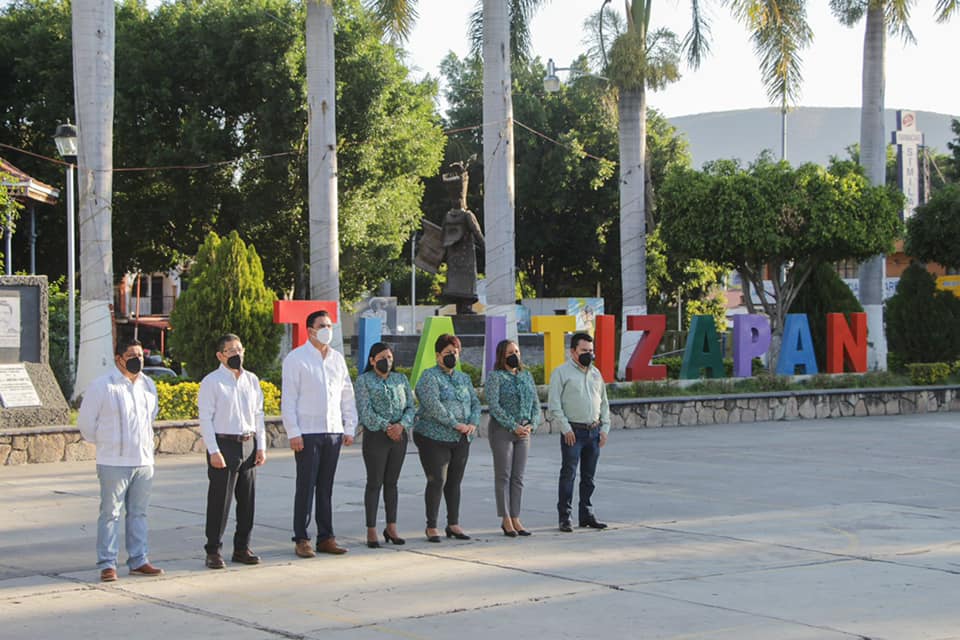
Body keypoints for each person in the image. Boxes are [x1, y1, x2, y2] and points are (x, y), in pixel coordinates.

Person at [77, 337, 164, 582]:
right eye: (132, 356)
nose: (138, 360)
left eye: (141, 356)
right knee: (110, 514)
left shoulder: (148, 385)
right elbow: (86, 424)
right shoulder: (102, 385)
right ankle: (108, 563)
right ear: (119, 359)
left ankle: (139, 560)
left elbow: (151, 418)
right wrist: (108, 444)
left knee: (138, 513)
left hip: (143, 461)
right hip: (113, 462)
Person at [282, 310, 357, 557]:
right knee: (306, 486)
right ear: (310, 330)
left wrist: (349, 427)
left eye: (330, 325)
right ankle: (302, 538)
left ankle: (326, 537)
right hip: (308, 432)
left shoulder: (336, 358)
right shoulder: (296, 358)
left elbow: (346, 393)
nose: (327, 329)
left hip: (332, 431)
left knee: (326, 487)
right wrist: (293, 432)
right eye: (322, 325)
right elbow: (289, 398)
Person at [198, 334, 267, 569]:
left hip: (248, 443)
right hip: (224, 444)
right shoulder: (212, 381)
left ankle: (242, 547)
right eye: (230, 351)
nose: (237, 354)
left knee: (247, 501)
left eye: (239, 349)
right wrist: (213, 450)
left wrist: (261, 446)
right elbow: (205, 418)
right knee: (220, 501)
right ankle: (213, 550)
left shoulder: (251, 380)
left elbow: (258, 414)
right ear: (220, 355)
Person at [413, 334, 480, 542]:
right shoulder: (428, 376)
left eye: (455, 353)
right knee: (437, 480)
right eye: (447, 353)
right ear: (437, 355)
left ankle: (453, 523)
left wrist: (472, 423)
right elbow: (433, 405)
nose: (452, 356)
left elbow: (476, 402)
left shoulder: (463, 378)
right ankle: (431, 526)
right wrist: (454, 423)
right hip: (433, 436)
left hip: (461, 438)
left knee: (454, 482)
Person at [548, 332, 611, 533]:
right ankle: (565, 517)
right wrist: (565, 428)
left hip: (593, 432)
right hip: (573, 433)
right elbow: (554, 404)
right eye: (584, 351)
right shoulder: (561, 373)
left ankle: (587, 513)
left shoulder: (596, 374)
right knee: (569, 475)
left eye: (591, 351)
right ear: (573, 351)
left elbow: (604, 403)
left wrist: (605, 428)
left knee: (589, 477)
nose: (589, 355)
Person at [354, 342, 414, 548]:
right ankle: (371, 529)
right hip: (376, 437)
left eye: (389, 357)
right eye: (382, 357)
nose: (386, 361)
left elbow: (410, 407)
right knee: (374, 483)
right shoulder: (364, 381)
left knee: (392, 483)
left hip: (399, 437)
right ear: (372, 360)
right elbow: (365, 410)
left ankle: (391, 527)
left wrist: (401, 425)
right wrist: (387, 427)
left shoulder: (401, 379)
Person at [485, 339, 541, 537]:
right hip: (503, 431)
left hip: (524, 432)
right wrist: (512, 425)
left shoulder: (526, 376)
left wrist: (531, 423)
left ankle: (516, 516)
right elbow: (494, 405)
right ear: (502, 356)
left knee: (518, 477)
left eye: (517, 351)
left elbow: (535, 402)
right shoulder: (496, 377)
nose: (515, 355)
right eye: (510, 352)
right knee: (504, 476)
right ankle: (506, 518)